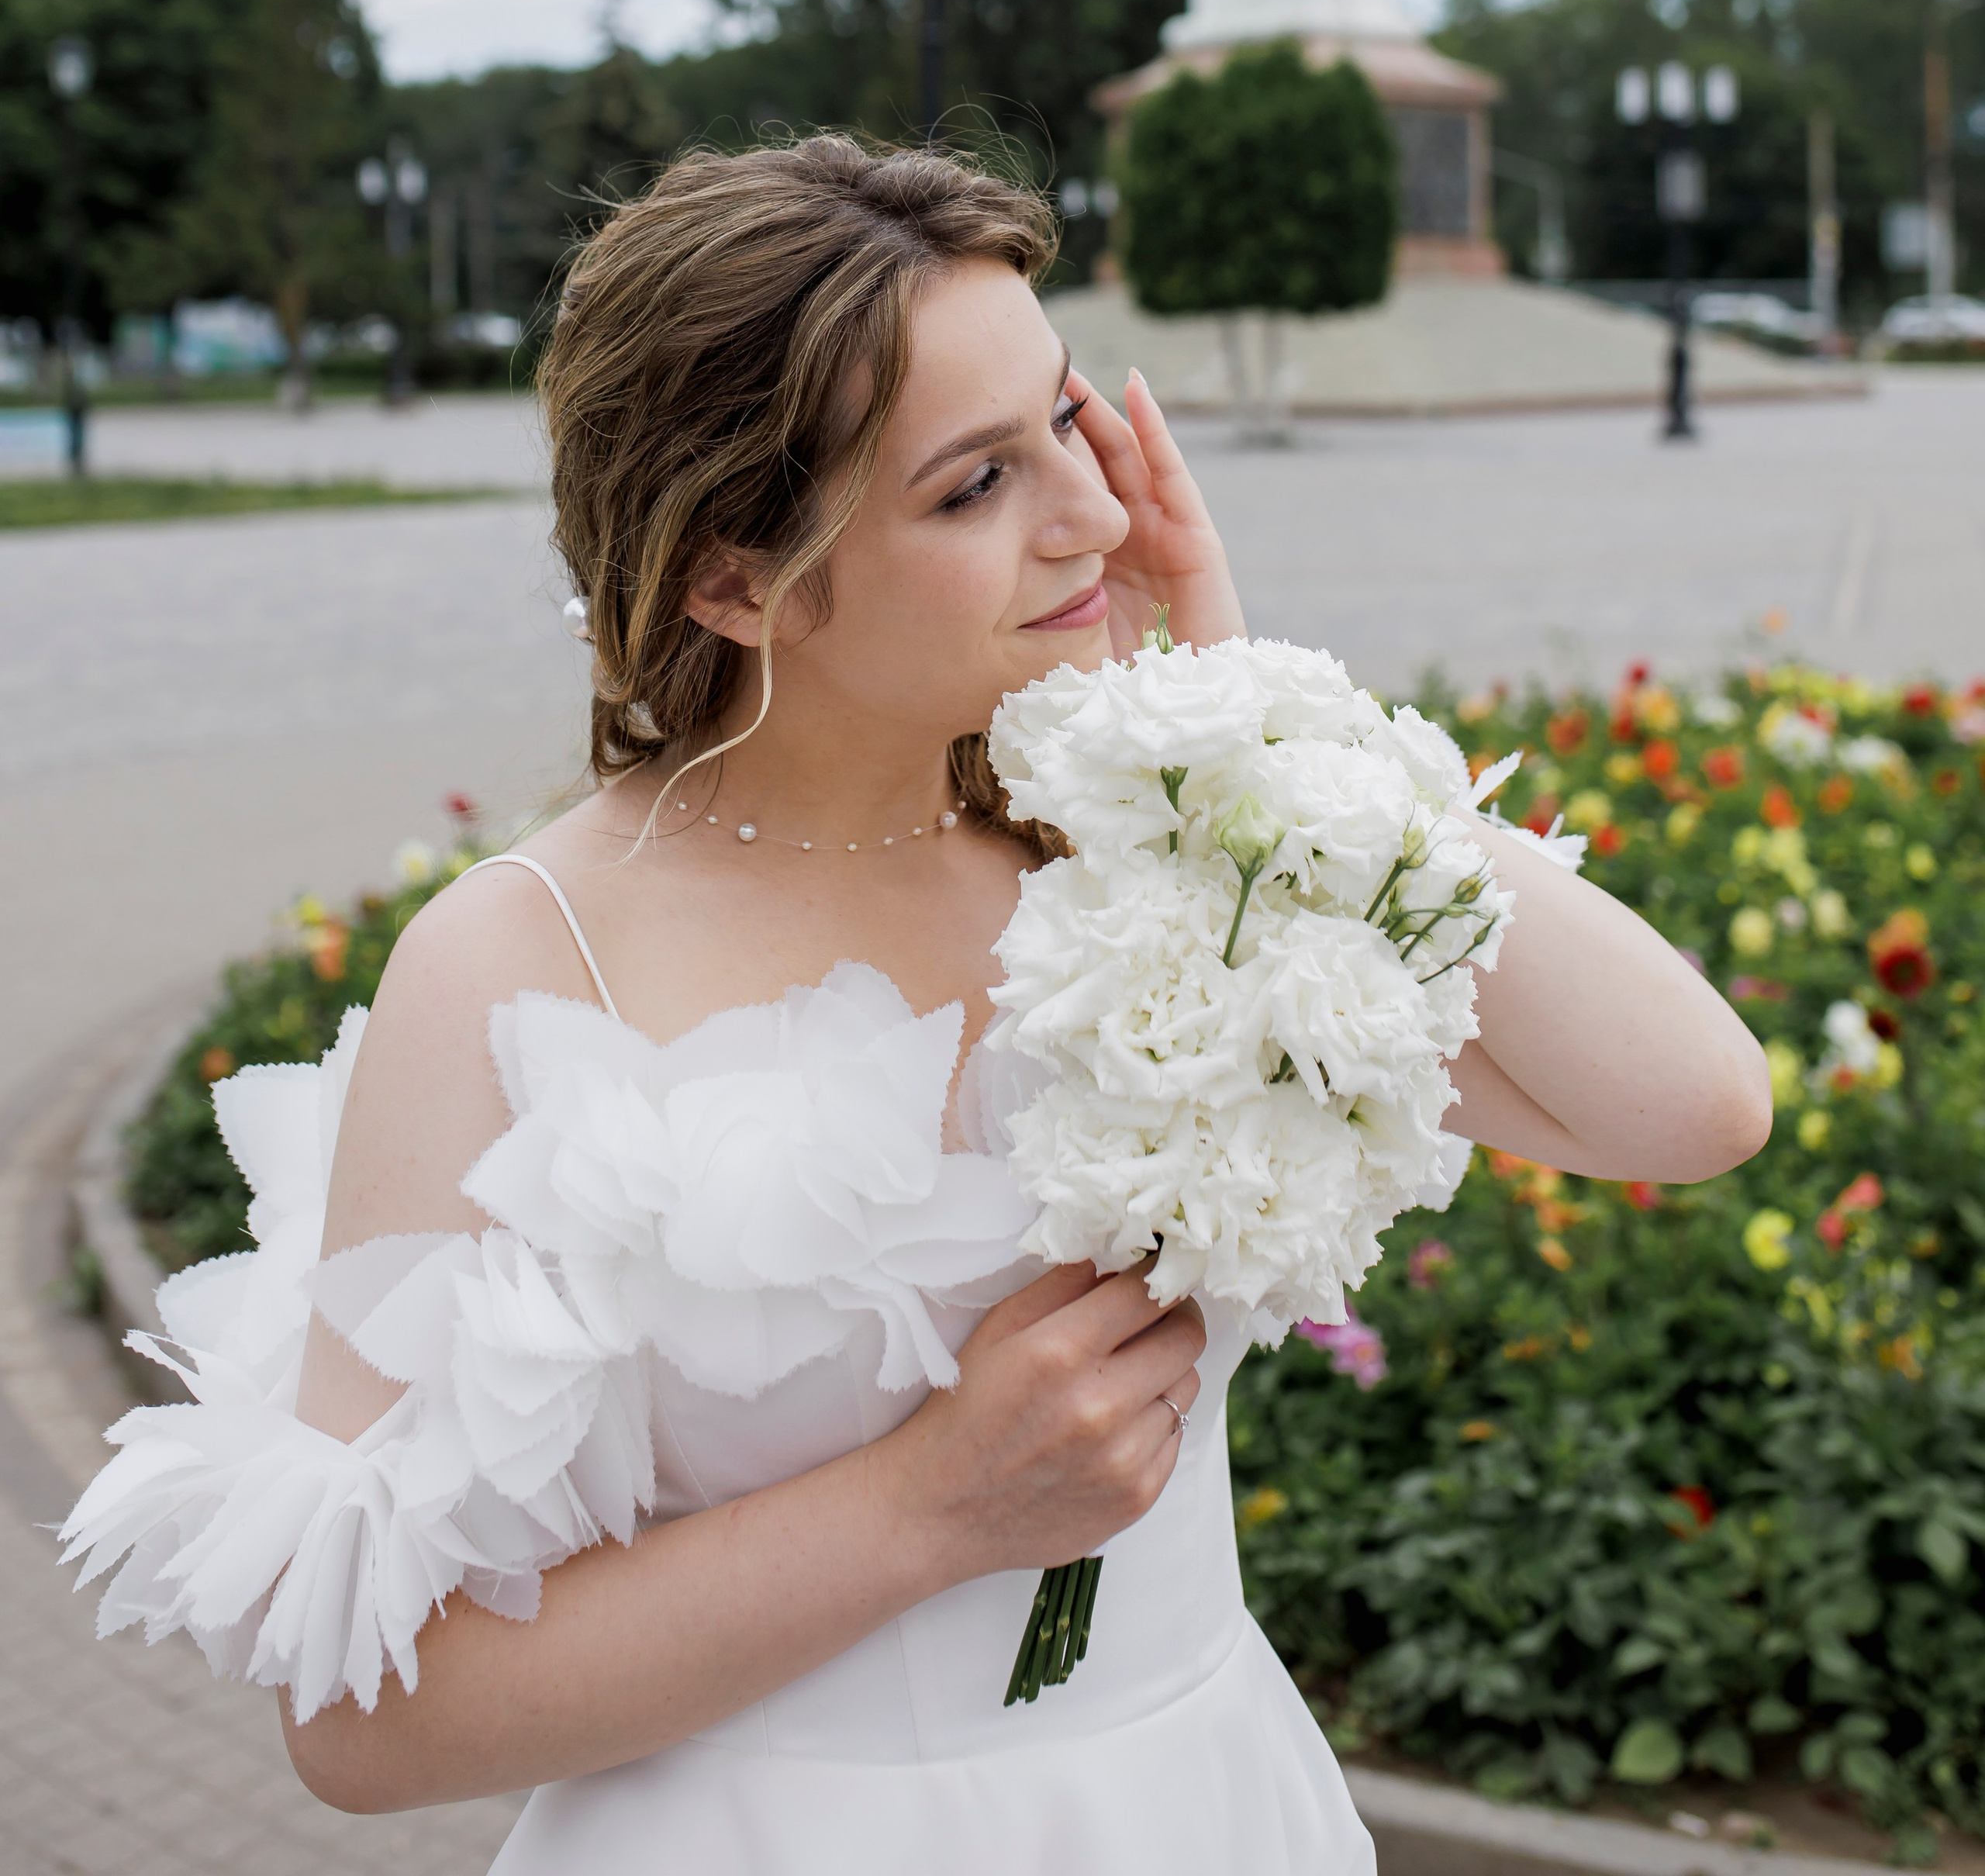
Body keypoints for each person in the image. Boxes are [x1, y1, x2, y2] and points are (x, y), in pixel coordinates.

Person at [63, 136, 1770, 1872]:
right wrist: (929, 1508)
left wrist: (1247, 717)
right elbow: (367, 1723)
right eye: (974, 485)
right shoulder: (521, 963)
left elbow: (1690, 1107)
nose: (1098, 517)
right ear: (734, 578)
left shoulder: (1139, 836)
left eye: (1068, 426)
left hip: (1199, 1806)